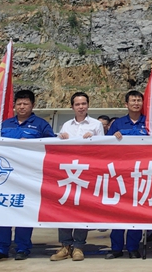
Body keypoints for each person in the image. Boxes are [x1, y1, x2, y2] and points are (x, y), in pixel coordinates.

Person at [0, 90, 55, 261]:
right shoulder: (5, 124)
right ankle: (0, 248)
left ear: (33, 105)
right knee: (3, 209)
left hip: (29, 176)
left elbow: (51, 147)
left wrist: (32, 144)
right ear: (14, 105)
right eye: (19, 104)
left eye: (26, 104)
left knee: (24, 210)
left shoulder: (41, 125)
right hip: (5, 177)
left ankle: (22, 248)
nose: (22, 107)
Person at [50, 92, 105, 262]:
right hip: (67, 173)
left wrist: (93, 139)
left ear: (88, 105)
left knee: (82, 209)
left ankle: (79, 246)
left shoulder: (96, 125)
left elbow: (103, 148)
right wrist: (61, 138)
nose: (81, 107)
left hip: (86, 173)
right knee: (64, 207)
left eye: (83, 104)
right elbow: (58, 148)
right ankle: (65, 246)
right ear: (72, 107)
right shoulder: (66, 125)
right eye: (77, 104)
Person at [105, 90, 148, 259]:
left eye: (139, 100)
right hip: (121, 174)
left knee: (136, 212)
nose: (136, 103)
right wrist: (113, 138)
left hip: (141, 173)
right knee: (118, 211)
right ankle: (116, 248)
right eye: (133, 100)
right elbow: (106, 146)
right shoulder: (118, 123)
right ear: (126, 104)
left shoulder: (149, 123)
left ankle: (133, 247)